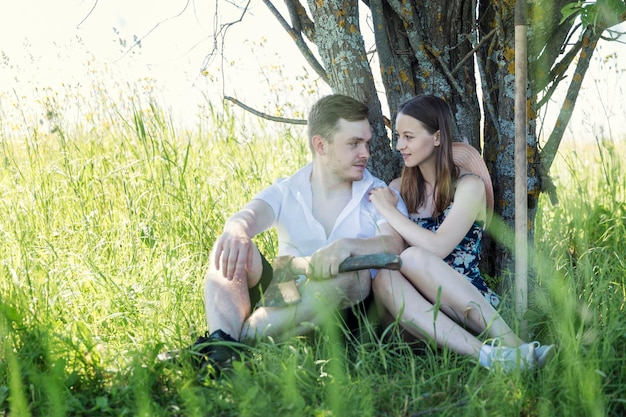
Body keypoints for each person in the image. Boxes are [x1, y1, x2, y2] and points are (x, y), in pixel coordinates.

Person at [179, 94, 406, 374]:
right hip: (283, 292)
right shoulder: (287, 189)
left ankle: (226, 347)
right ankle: (222, 347)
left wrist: (347, 246)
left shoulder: (378, 193)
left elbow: (393, 244)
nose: (366, 153)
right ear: (320, 145)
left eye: (366, 143)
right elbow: (247, 217)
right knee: (229, 245)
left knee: (354, 275)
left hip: (348, 313)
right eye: (354, 144)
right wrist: (235, 230)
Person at [368, 94, 554, 371]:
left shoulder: (469, 186)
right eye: (398, 136)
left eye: (409, 137)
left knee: (415, 258)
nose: (400, 146)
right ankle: (490, 356)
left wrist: (390, 211)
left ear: (437, 137)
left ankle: (512, 346)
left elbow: (439, 247)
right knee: (384, 276)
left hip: (468, 306)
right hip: (417, 313)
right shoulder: (398, 188)